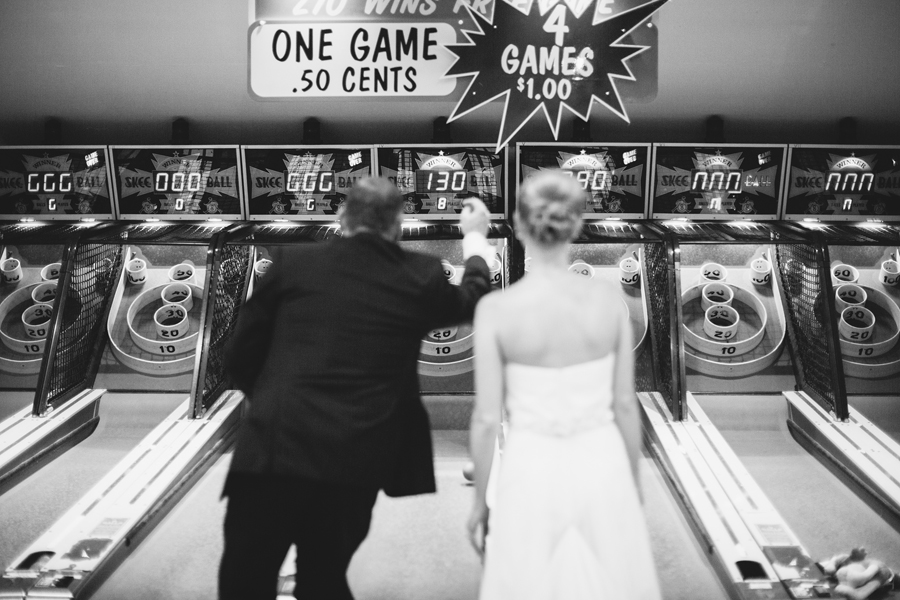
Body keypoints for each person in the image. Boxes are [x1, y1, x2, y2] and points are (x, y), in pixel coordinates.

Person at [220, 176, 495, 600]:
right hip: (355, 455)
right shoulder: (419, 273)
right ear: (397, 225)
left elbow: (239, 355)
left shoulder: (293, 262)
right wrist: (474, 237)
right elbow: (475, 298)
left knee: (244, 580)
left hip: (274, 446)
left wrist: (276, 401)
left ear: (343, 218)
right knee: (324, 579)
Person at [467, 170, 661, 599]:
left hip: (531, 467)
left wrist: (480, 502)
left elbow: (485, 419)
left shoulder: (497, 310)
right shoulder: (607, 302)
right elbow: (624, 405)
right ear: (576, 225)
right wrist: (631, 483)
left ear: (518, 225)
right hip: (601, 465)